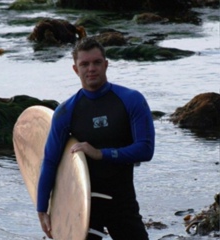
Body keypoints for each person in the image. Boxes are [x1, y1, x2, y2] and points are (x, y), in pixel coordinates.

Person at [37, 37, 155, 240]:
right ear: (75, 69)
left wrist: (101, 154)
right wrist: (42, 209)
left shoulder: (130, 100)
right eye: (84, 64)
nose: (91, 68)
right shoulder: (66, 112)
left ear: (106, 64)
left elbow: (145, 149)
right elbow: (50, 161)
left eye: (96, 62)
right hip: (83, 206)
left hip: (122, 201)